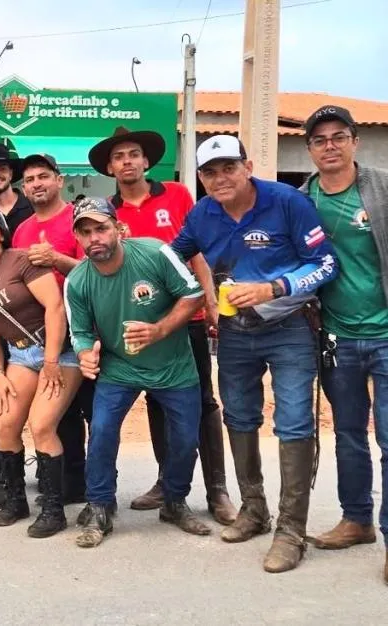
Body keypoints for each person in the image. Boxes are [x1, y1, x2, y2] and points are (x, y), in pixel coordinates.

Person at [172, 135, 339, 573]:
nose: (220, 178)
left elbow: (325, 263)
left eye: (229, 167)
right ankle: (254, 509)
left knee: (295, 422)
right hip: (233, 331)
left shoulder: (287, 201)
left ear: (248, 166)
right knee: (240, 416)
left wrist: (273, 287)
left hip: (291, 327)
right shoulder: (202, 213)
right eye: (209, 172)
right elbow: (174, 256)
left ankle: (291, 530)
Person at [88, 126, 237, 525]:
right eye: (119, 157)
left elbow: (199, 251)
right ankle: (165, 483)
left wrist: (210, 299)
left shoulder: (176, 195)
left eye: (134, 154)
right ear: (110, 167)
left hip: (185, 313)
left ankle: (217, 489)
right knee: (157, 401)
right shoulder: (108, 213)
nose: (127, 162)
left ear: (146, 161)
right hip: (140, 322)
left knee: (202, 403)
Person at [66, 197, 211, 548]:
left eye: (101, 228)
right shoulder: (77, 281)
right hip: (120, 367)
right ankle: (100, 504)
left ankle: (175, 502)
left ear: (118, 228)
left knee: (185, 439)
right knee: (101, 431)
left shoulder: (155, 252)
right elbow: (81, 332)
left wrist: (159, 330)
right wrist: (86, 355)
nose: (94, 238)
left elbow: (194, 295)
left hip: (174, 366)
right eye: (85, 232)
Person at [298, 105, 388, 583]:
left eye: (338, 137)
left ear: (354, 140)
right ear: (310, 149)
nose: (329, 146)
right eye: (319, 140)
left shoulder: (381, 186)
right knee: (349, 435)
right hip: (336, 338)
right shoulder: (303, 199)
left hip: (386, 334)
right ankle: (357, 519)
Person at [0, 202, 78, 537]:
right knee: (4, 425)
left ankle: (54, 510)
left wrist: (53, 360)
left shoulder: (21, 258)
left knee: (41, 425)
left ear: (1, 232)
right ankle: (16, 500)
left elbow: (54, 305)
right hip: (20, 356)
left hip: (59, 350)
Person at [10, 153, 87, 506]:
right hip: (41, 332)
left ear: (59, 180)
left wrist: (57, 260)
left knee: (92, 413)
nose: (37, 184)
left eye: (43, 176)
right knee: (57, 414)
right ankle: (63, 484)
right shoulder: (22, 230)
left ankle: (94, 486)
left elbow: (97, 273)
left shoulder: (77, 218)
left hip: (83, 327)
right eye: (30, 180)